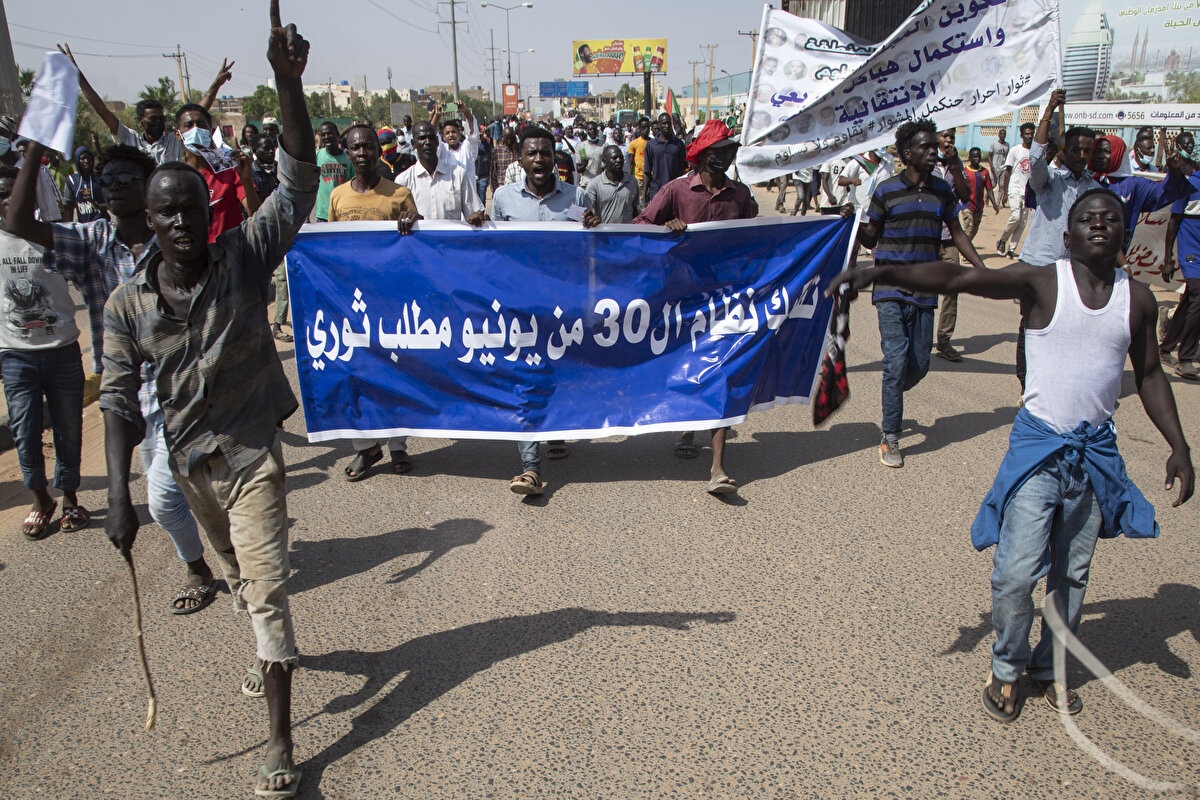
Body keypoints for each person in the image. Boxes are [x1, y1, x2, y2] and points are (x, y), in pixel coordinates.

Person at [830, 187, 1194, 721]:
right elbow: (957, 278)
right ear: (1066, 237)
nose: (1100, 225)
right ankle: (1006, 667)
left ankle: (1049, 668)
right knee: (1017, 574)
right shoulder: (1044, 282)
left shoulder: (1135, 299)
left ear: (1125, 231)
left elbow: (1151, 374)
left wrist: (1179, 446)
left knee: (1072, 574)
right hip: (1039, 449)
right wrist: (878, 273)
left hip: (1093, 456)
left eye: (1111, 219)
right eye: (1088, 219)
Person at [100, 4, 314, 794]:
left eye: (192, 207)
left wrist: (287, 87)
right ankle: (268, 653)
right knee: (231, 580)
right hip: (190, 464)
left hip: (254, 451)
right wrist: (123, 494)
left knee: (267, 592)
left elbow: (296, 182)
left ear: (205, 210)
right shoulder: (127, 306)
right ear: (146, 222)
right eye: (167, 213)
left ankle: (282, 743)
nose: (182, 223)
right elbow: (119, 401)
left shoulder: (245, 255)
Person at [10, 140, 220, 613]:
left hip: (190, 388)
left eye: (127, 180)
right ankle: (207, 560)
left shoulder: (179, 234)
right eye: (106, 181)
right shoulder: (89, 242)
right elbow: (19, 223)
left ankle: (204, 564)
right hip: (132, 396)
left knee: (166, 498)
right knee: (176, 492)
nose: (114, 189)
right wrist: (37, 152)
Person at [634, 119, 757, 494]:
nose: (725, 158)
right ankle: (688, 425)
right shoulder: (675, 190)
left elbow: (761, 234)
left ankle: (718, 466)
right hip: (682, 300)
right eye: (718, 152)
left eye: (730, 152)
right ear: (702, 155)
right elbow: (640, 224)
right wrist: (665, 228)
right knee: (688, 366)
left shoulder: (740, 195)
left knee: (723, 371)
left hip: (726, 299)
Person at [854, 118, 980, 467]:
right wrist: (854, 222)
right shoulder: (886, 190)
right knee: (895, 360)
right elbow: (870, 237)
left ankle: (892, 390)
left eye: (935, 147)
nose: (933, 152)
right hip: (890, 289)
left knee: (920, 364)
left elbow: (957, 232)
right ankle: (890, 437)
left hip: (925, 290)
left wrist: (983, 271)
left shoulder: (942, 191)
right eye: (926, 147)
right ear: (908, 154)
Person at [490, 126, 599, 496]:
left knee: (560, 375)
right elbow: (492, 251)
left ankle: (557, 428)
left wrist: (594, 228)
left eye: (545, 153)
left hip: (564, 309)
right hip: (520, 308)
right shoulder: (504, 199)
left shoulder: (577, 196)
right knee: (525, 378)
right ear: (520, 160)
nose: (539, 159)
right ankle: (530, 466)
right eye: (532, 153)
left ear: (555, 157)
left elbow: (591, 253)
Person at [0, 165, 87, 540]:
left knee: (69, 428)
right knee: (25, 429)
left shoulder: (53, 238)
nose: (8, 201)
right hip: (15, 355)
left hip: (63, 350)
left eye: (14, 193)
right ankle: (40, 499)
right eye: (2, 195)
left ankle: (69, 498)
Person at [330, 123, 420, 480]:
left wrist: (413, 221)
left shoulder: (397, 193)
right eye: (356, 148)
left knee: (392, 370)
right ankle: (364, 448)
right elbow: (327, 247)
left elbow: (417, 243)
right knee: (353, 373)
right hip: (349, 301)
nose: (363, 153)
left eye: (369, 147)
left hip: (389, 300)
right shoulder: (337, 197)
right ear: (347, 152)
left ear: (378, 150)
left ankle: (397, 446)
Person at [64, 44, 232, 165]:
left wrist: (216, 85)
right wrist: (78, 75)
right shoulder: (129, 139)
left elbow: (198, 111)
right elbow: (101, 110)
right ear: (140, 120)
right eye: (153, 118)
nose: (158, 122)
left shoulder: (173, 141)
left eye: (161, 118)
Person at [174, 103, 261, 242]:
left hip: (231, 253)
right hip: (196, 257)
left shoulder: (230, 169)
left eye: (201, 125)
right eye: (189, 125)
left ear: (210, 130)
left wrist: (246, 179)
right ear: (178, 134)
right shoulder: (175, 178)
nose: (195, 130)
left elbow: (255, 214)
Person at [1162, 189, 1200, 379]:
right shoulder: (1189, 186)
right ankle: (1185, 359)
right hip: (1192, 254)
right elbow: (1173, 222)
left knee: (1189, 301)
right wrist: (1168, 258)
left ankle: (1166, 347)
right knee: (1198, 297)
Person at [997, 122, 1036, 257]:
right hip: (1014, 188)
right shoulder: (1014, 150)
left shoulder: (1035, 151)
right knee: (1015, 216)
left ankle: (1011, 249)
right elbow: (1008, 171)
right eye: (1027, 134)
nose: (1029, 136)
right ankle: (1002, 240)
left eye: (1031, 134)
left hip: (1028, 191)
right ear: (1021, 135)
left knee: (1023, 222)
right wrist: (1004, 192)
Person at [586, 145, 640, 223]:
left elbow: (634, 208)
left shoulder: (632, 181)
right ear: (605, 162)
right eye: (614, 158)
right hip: (605, 233)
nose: (619, 160)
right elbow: (587, 212)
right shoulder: (594, 184)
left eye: (621, 157)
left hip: (627, 233)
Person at [643, 112, 687, 205]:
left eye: (668, 123)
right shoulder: (651, 145)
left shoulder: (679, 144)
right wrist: (644, 198)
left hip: (675, 193)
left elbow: (682, 171)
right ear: (659, 125)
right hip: (656, 193)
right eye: (663, 123)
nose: (666, 126)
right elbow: (647, 172)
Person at [432, 102, 479, 186]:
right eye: (447, 133)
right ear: (443, 136)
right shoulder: (442, 150)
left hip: (467, 196)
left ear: (459, 134)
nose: (451, 135)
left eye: (453, 132)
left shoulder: (467, 147)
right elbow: (432, 134)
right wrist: (437, 115)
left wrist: (466, 112)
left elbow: (473, 133)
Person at [315, 120, 353, 222]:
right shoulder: (317, 156)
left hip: (344, 213)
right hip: (323, 215)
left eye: (330, 133)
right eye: (323, 134)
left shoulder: (349, 158)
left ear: (337, 135)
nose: (326, 136)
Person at [962, 147, 1000, 241]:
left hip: (979, 207)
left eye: (978, 157)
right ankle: (963, 252)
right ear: (969, 158)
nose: (977, 159)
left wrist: (994, 203)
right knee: (969, 228)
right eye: (974, 157)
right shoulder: (965, 172)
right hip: (967, 205)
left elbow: (989, 189)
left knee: (974, 230)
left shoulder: (984, 172)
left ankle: (964, 247)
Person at [64, 146, 103, 223]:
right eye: (83, 159)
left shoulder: (100, 178)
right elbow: (69, 204)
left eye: (89, 158)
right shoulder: (71, 180)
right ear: (77, 161)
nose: (86, 161)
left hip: (101, 223)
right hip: (82, 225)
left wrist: (98, 206)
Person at [627, 117, 652, 194]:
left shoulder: (653, 143)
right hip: (639, 178)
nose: (646, 129)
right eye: (644, 127)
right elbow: (631, 163)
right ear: (639, 129)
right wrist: (629, 179)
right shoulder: (634, 143)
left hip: (652, 178)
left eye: (648, 127)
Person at [491, 127, 519, 191]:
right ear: (503, 137)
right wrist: (494, 190)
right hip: (502, 186)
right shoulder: (497, 150)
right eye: (507, 138)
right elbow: (493, 171)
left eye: (511, 138)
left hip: (516, 187)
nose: (509, 140)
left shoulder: (519, 149)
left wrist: (515, 148)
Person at [989, 128, 1010, 207]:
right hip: (995, 168)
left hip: (1003, 168)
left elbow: (1007, 156)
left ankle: (998, 203)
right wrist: (991, 166)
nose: (1002, 136)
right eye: (1001, 134)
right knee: (993, 185)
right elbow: (989, 155)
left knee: (1002, 185)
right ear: (998, 135)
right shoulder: (994, 144)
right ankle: (987, 196)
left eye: (1004, 134)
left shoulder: (1007, 145)